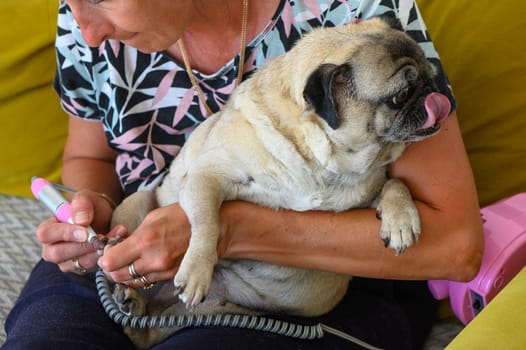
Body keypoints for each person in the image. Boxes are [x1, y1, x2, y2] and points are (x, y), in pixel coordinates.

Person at [3, 0, 483, 349]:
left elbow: (457, 248)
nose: (83, 27)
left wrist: (223, 233)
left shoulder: (359, 18)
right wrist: (90, 212)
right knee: (48, 337)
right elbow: (94, 161)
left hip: (322, 283)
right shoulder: (87, 29)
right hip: (136, 243)